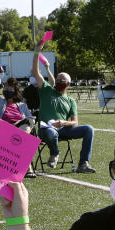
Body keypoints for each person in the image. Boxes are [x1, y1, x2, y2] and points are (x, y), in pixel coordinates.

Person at [32, 39, 96, 174]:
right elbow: (35, 71)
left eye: (62, 80)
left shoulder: (71, 101)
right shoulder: (46, 90)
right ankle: (55, 153)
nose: (59, 81)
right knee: (50, 132)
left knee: (88, 129)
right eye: (58, 79)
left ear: (69, 84)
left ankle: (83, 164)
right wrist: (37, 52)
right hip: (46, 128)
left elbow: (75, 122)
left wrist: (64, 122)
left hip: (63, 129)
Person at [0, 64, 36, 178]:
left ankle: (24, 166)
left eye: (9, 88)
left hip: (20, 129)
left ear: (15, 91)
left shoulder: (23, 105)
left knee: (27, 124)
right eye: (5, 87)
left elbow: (30, 120)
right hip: (4, 130)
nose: (6, 90)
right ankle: (28, 168)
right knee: (23, 137)